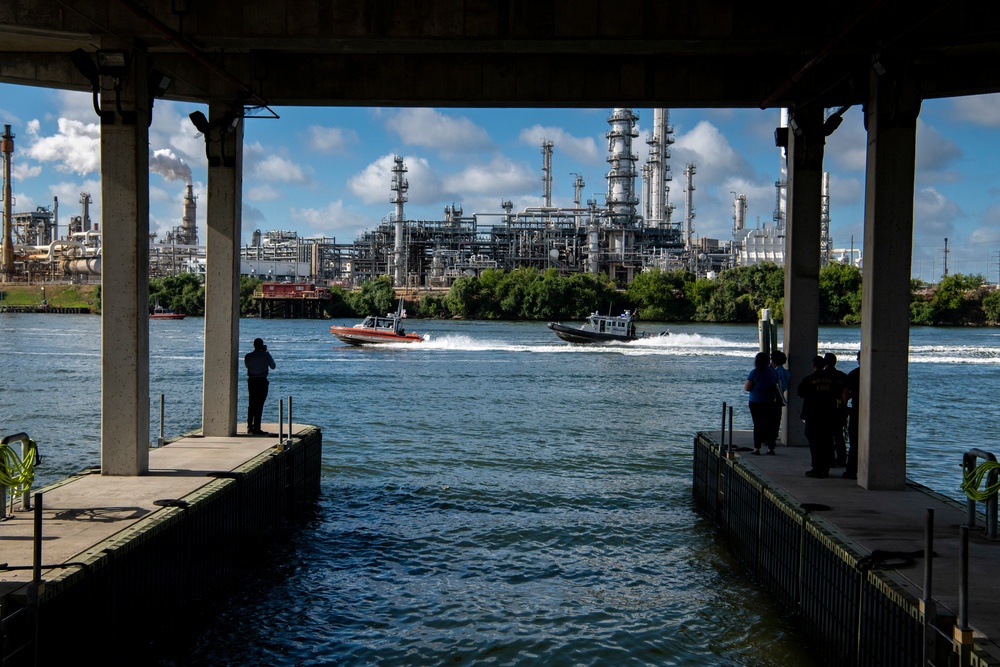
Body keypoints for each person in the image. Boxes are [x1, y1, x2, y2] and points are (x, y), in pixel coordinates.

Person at [797, 355, 838, 478]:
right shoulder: (832, 379)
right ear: (824, 365)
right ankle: (826, 468)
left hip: (813, 415)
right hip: (829, 415)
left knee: (815, 443)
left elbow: (800, 394)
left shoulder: (808, 379)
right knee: (827, 442)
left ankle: (817, 469)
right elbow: (837, 394)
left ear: (814, 366)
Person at [744, 351, 780, 455]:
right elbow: (777, 384)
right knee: (770, 424)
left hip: (755, 402)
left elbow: (747, 387)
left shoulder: (754, 372)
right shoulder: (772, 372)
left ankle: (757, 448)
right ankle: (771, 448)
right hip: (769, 401)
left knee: (758, 425)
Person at [244, 337, 276, 435]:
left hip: (252, 381)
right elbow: (273, 366)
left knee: (251, 404)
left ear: (254, 345)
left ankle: (250, 427)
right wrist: (267, 352)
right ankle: (257, 427)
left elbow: (247, 366)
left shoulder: (248, 356)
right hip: (262, 381)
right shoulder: (265, 355)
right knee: (259, 405)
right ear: (262, 346)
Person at [824, 353, 848, 467]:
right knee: (839, 436)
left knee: (826, 436)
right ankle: (842, 460)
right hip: (838, 409)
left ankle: (830, 460)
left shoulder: (822, 376)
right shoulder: (842, 376)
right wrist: (844, 408)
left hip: (825, 410)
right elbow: (845, 394)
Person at [842, 351, 861, 480]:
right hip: (874, 413)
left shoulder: (854, 374)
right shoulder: (878, 372)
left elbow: (845, 393)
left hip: (856, 412)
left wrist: (844, 408)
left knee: (854, 443)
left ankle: (851, 471)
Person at [770, 350, 790, 448]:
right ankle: (773, 436)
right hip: (780, 397)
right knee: (777, 418)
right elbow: (785, 386)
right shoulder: (786, 372)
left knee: (770, 418)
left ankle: (769, 437)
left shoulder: (774, 371)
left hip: (772, 397)